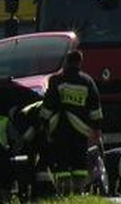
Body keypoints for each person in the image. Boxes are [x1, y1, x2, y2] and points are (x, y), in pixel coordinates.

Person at [41, 50, 103, 195]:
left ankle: (64, 191)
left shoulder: (56, 80)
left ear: (66, 62)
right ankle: (78, 191)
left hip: (60, 127)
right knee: (79, 161)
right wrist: (97, 128)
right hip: (81, 129)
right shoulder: (87, 81)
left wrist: (43, 122)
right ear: (80, 62)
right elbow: (95, 107)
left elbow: (49, 104)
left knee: (61, 159)